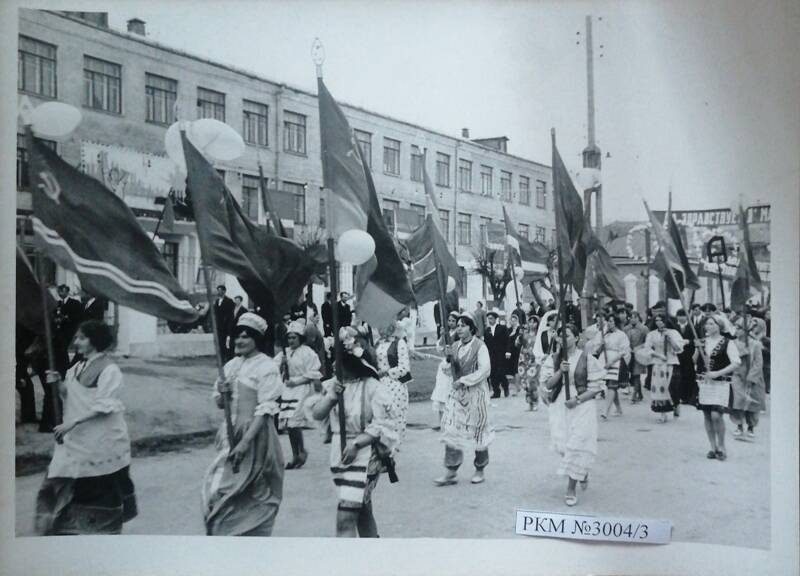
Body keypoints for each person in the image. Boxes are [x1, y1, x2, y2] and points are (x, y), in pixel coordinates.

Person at [35, 320, 137, 535]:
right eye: (77, 337)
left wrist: (72, 423)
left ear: (95, 340)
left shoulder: (109, 370)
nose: (77, 341)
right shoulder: (77, 366)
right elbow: (70, 396)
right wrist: (58, 383)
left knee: (95, 487)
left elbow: (104, 405)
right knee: (61, 480)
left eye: (82, 338)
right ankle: (65, 529)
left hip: (100, 440)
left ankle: (97, 534)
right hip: (76, 439)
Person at [311, 326, 400, 538]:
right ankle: (374, 556)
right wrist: (332, 396)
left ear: (353, 361)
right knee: (361, 510)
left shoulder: (372, 387)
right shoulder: (333, 385)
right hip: (340, 456)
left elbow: (383, 424)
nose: (333, 364)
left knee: (345, 519)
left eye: (339, 360)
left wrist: (356, 444)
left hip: (365, 455)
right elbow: (316, 413)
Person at [202, 313, 284, 535]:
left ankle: (250, 536)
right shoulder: (230, 366)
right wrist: (222, 393)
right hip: (231, 434)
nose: (240, 341)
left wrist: (246, 442)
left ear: (257, 339)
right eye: (237, 336)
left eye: (246, 337)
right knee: (218, 490)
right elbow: (222, 405)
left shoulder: (266, 366)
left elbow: (266, 409)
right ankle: (224, 532)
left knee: (251, 490)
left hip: (255, 435)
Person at [539, 323, 606, 506]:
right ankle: (580, 471)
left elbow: (597, 387)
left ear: (576, 338)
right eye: (560, 336)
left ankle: (571, 487)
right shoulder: (552, 359)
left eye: (567, 335)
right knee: (563, 446)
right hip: (560, 404)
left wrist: (577, 400)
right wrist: (561, 371)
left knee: (577, 444)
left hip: (581, 404)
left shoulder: (587, 358)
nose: (563, 339)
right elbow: (547, 385)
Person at [434, 313, 494, 486]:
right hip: (458, 394)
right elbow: (448, 370)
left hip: (476, 393)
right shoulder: (455, 346)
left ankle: (480, 468)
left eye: (463, 325)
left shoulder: (480, 346)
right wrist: (448, 358)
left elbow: (485, 370)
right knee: (451, 429)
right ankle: (451, 470)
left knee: (479, 431)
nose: (459, 328)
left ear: (471, 327)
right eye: (458, 325)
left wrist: (464, 380)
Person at [694, 314, 741, 461]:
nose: (709, 326)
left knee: (716, 415)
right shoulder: (702, 342)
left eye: (712, 324)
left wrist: (717, 373)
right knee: (707, 415)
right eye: (707, 324)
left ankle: (722, 446)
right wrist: (696, 349)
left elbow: (736, 362)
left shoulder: (728, 342)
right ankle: (712, 447)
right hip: (705, 383)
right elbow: (694, 360)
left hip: (721, 383)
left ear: (720, 326)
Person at [277, 320, 322, 469]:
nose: (291, 341)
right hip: (288, 390)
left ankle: (301, 451)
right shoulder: (285, 353)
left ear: (300, 338)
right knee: (289, 424)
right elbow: (273, 369)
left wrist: (297, 382)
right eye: (289, 338)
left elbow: (314, 372)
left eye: (294, 338)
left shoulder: (307, 352)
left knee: (294, 422)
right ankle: (295, 454)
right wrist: (282, 364)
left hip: (302, 389)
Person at [374, 322, 411, 451]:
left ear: (391, 326)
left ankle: (391, 454)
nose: (381, 329)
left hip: (394, 384)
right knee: (379, 419)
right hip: (378, 384)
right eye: (379, 326)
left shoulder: (399, 343)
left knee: (394, 418)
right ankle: (382, 452)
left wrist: (386, 372)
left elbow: (404, 368)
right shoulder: (377, 343)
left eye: (383, 325)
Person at [644, 313, 685, 423]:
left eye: (661, 320)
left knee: (672, 387)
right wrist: (657, 355)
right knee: (660, 387)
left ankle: (676, 403)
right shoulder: (652, 334)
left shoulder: (674, 333)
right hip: (658, 363)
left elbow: (679, 348)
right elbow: (647, 348)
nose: (659, 322)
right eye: (657, 320)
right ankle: (663, 413)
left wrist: (670, 338)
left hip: (671, 362)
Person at [729, 318, 765, 439]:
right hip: (737, 375)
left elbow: (758, 363)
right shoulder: (732, 343)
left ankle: (751, 426)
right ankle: (739, 425)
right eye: (736, 328)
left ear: (746, 330)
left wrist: (752, 377)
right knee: (737, 400)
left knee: (752, 402)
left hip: (753, 377)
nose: (737, 330)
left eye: (739, 328)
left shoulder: (755, 344)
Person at [597, 314, 631, 420]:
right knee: (610, 385)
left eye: (612, 321)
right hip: (603, 358)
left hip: (615, 360)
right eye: (608, 321)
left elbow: (623, 351)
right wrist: (601, 345)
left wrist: (611, 362)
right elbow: (597, 350)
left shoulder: (621, 335)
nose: (609, 323)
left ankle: (605, 411)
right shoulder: (604, 334)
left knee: (612, 385)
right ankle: (619, 408)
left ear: (616, 322)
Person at [431, 311, 460, 427]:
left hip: (453, 364)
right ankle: (440, 421)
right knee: (441, 391)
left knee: (450, 392)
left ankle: (452, 420)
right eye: (449, 320)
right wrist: (442, 335)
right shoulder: (446, 333)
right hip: (444, 363)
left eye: (453, 321)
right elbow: (440, 348)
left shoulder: (458, 334)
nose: (451, 323)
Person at [53, 284, 81, 377]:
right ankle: (62, 368)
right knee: (60, 349)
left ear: (67, 292)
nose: (60, 293)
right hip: (59, 330)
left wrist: (66, 317)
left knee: (63, 348)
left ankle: (65, 368)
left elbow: (77, 316)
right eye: (59, 291)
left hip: (70, 330)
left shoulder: (74, 302)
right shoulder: (57, 303)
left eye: (62, 291)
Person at [674, 309, 698, 405]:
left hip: (689, 354)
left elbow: (697, 339)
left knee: (689, 375)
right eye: (679, 316)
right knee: (678, 375)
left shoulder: (692, 327)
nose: (681, 318)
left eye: (683, 316)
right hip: (677, 354)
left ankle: (688, 396)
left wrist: (689, 341)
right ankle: (679, 396)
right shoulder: (674, 327)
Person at [624, 311, 648, 404]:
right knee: (633, 374)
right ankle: (640, 394)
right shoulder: (626, 329)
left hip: (639, 354)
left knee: (636, 373)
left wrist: (640, 347)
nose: (633, 319)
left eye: (635, 317)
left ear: (638, 318)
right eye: (631, 317)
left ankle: (634, 395)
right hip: (629, 354)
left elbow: (648, 342)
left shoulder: (644, 329)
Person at [484, 310, 509, 398]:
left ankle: (505, 387)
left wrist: (507, 351)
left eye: (491, 318)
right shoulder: (487, 330)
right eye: (488, 319)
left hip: (501, 353)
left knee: (501, 372)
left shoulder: (502, 328)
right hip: (491, 354)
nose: (489, 320)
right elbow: (486, 343)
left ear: (495, 319)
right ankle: (496, 391)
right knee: (493, 373)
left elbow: (507, 341)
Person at [213, 285, 235, 361]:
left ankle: (228, 358)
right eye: (218, 290)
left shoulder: (229, 301)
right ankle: (221, 358)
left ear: (224, 291)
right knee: (219, 343)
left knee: (226, 343)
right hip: (218, 326)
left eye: (220, 290)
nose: (218, 292)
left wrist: (229, 326)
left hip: (226, 326)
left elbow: (230, 315)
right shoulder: (217, 301)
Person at [505, 313, 524, 396]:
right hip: (510, 352)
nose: (513, 322)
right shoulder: (508, 330)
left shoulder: (520, 329)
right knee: (512, 370)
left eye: (514, 320)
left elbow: (522, 339)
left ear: (517, 321)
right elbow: (506, 341)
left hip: (518, 351)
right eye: (511, 321)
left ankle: (517, 388)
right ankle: (518, 386)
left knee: (517, 369)